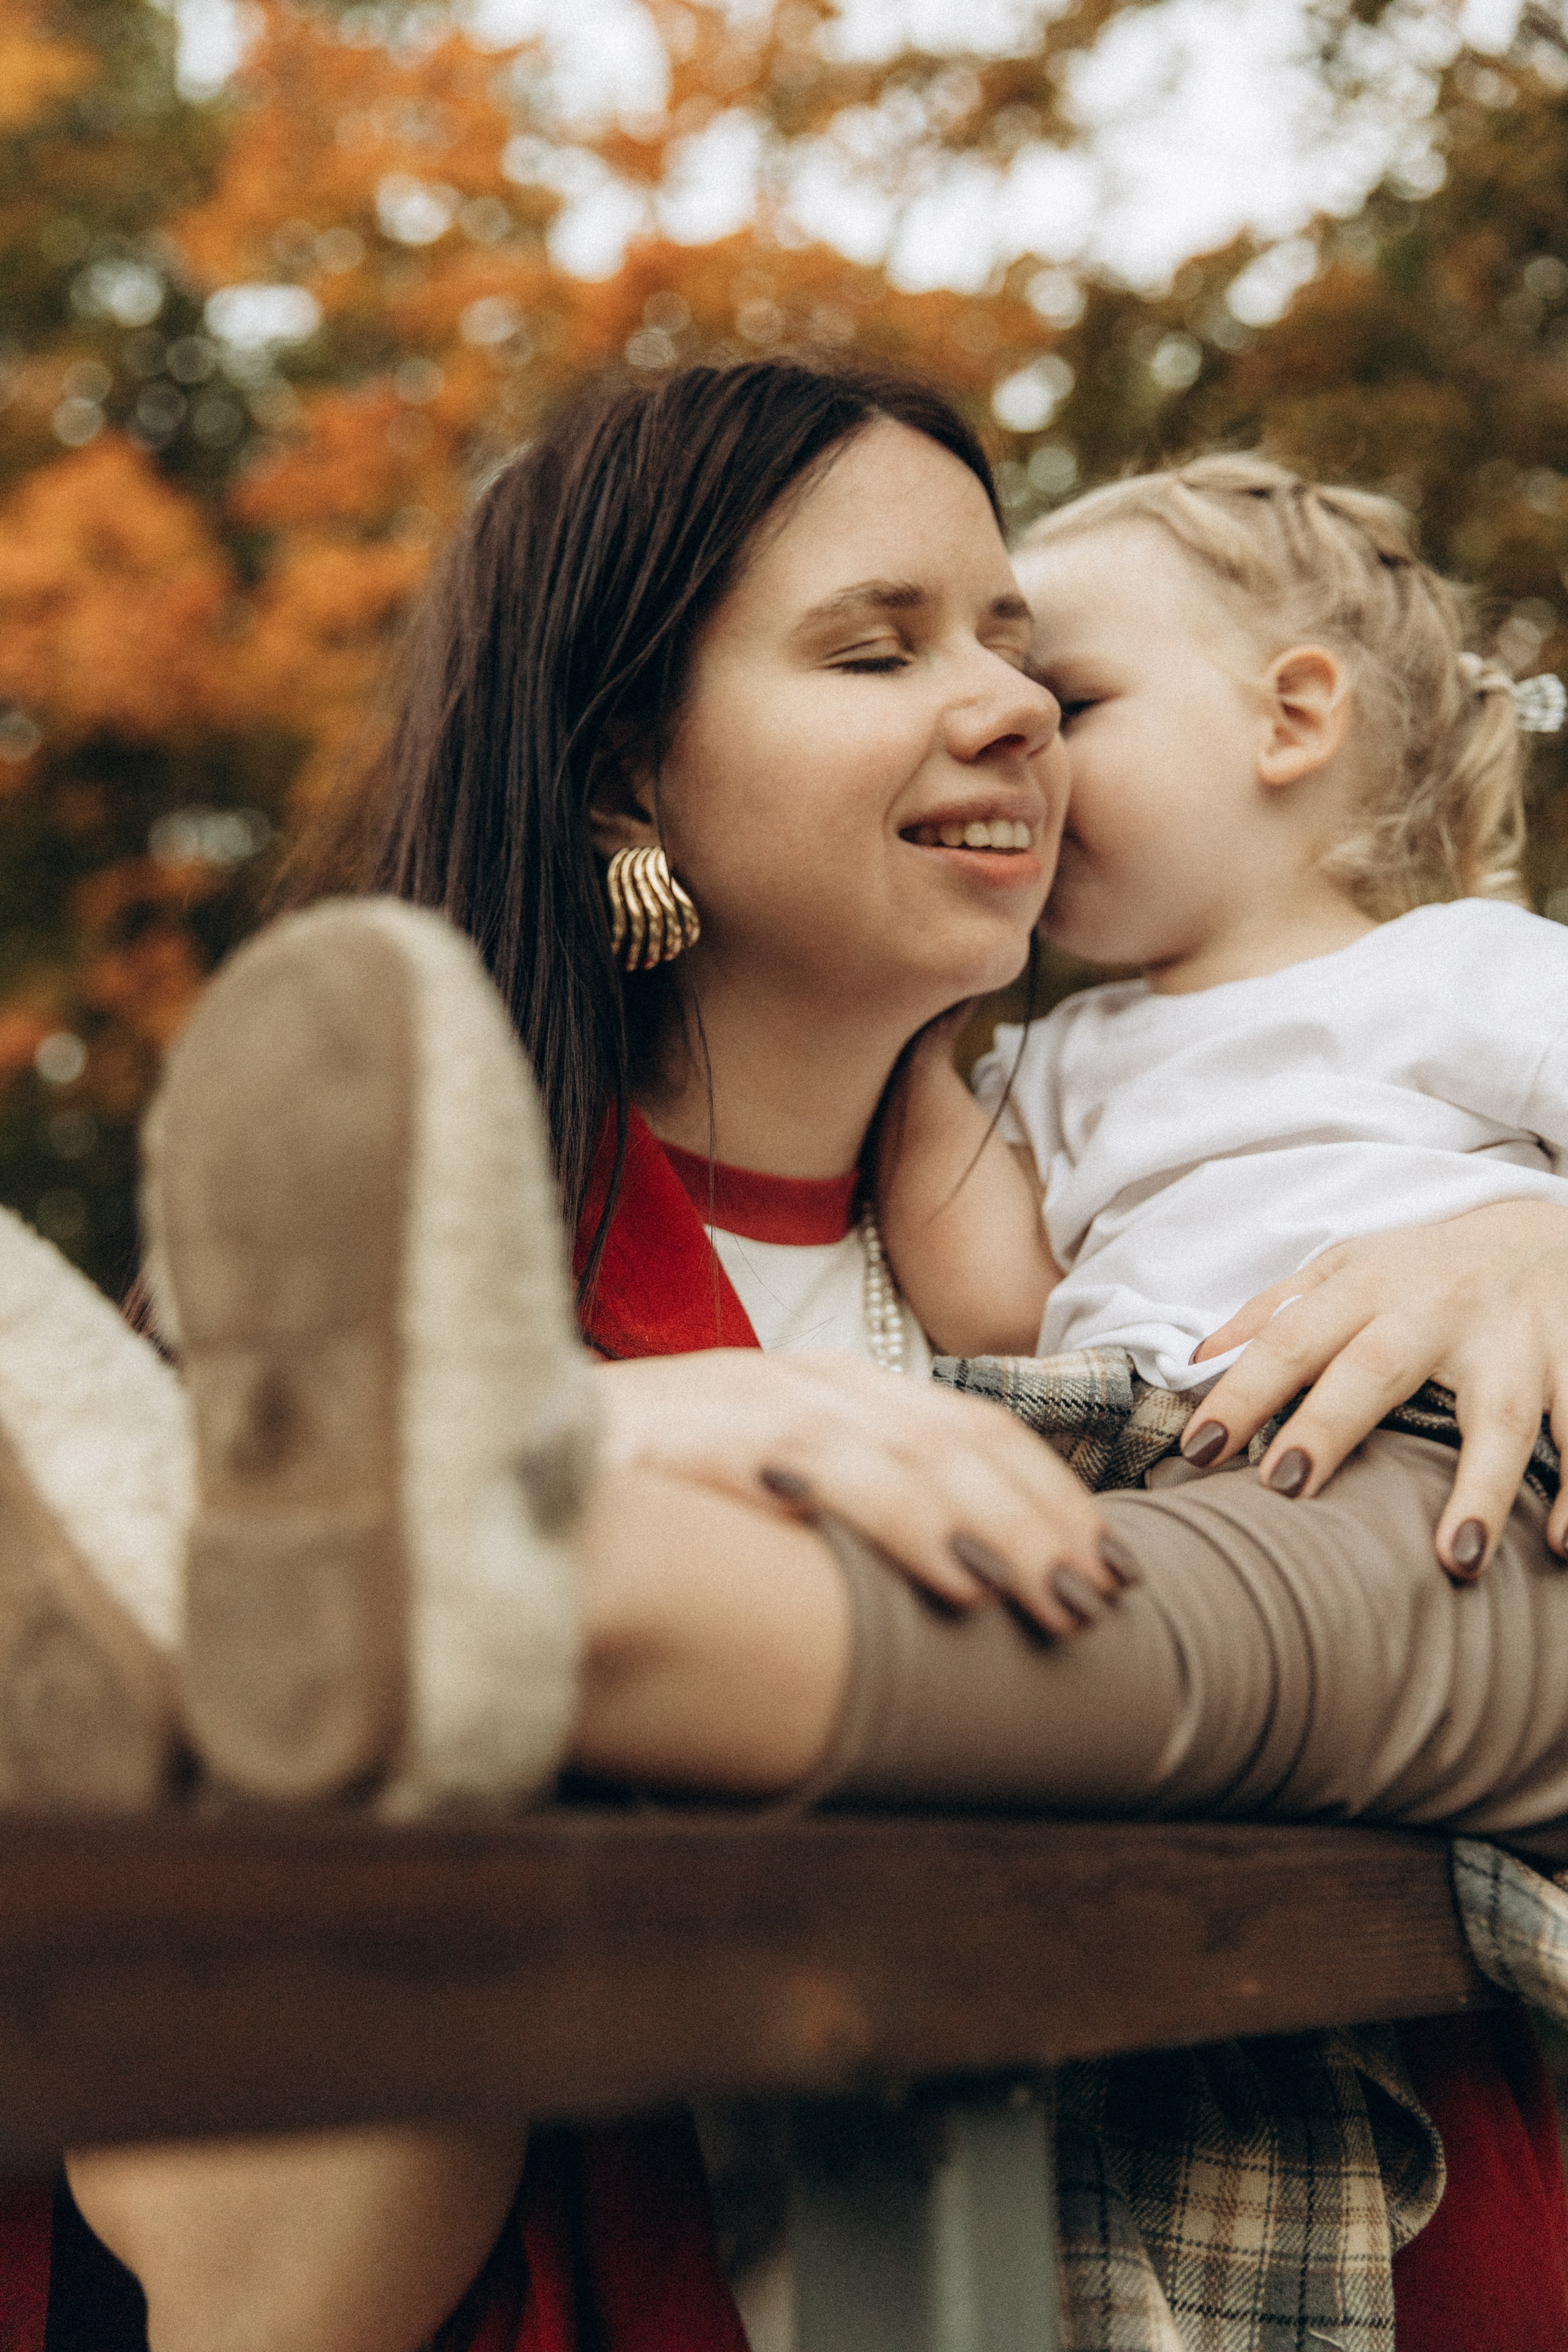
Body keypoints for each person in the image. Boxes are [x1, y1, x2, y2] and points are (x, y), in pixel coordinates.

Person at [16, 368, 1568, 2352]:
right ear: (626, 779)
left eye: (1026, 651)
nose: (1011, 705)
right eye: (877, 645)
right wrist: (586, 1432)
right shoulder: (348, 1300)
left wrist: (1533, 1232)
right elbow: (275, 2307)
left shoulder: (1169, 1213)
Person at [878, 451, 1568, 1588]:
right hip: (1133, 1447)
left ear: (1290, 718)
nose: (1025, 750)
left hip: (1422, 1426)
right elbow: (1002, 1307)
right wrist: (911, 1016)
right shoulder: (1050, 1050)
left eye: (1072, 704)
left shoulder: (1458, 965)